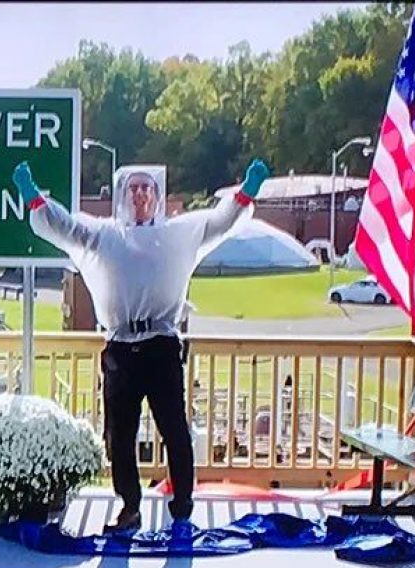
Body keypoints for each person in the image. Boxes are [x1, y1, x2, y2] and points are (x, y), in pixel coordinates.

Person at [14, 158, 269, 532]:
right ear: (122, 195)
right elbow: (63, 227)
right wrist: (34, 199)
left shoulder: (180, 234)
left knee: (175, 430)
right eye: (133, 188)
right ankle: (129, 507)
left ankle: (182, 508)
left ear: (157, 196)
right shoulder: (103, 236)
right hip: (120, 348)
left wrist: (246, 193)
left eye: (146, 188)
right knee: (120, 435)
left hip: (162, 346)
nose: (140, 194)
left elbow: (221, 223)